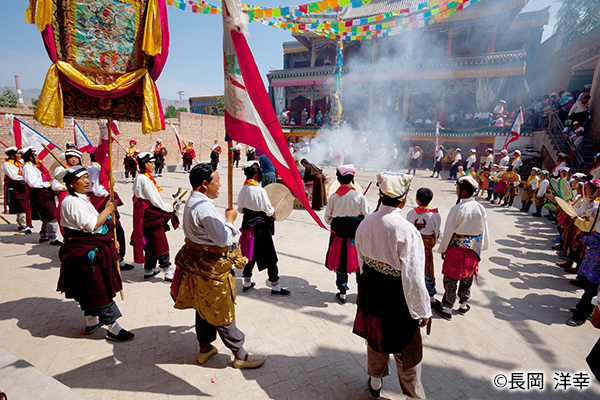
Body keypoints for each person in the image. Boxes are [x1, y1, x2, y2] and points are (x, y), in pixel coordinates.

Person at [170, 163, 266, 369]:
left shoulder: (193, 201)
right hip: (210, 267)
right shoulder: (204, 208)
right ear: (205, 184)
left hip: (196, 262)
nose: (220, 185)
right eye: (217, 181)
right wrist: (230, 221)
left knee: (202, 305)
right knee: (221, 309)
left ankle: (205, 348)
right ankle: (240, 354)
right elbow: (222, 239)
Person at [353, 172, 431, 400]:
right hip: (398, 302)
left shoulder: (366, 222)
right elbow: (414, 277)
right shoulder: (407, 231)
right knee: (407, 354)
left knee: (376, 342)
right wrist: (422, 311)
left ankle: (375, 385)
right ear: (404, 199)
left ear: (381, 195)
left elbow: (361, 263)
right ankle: (413, 396)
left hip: (370, 295)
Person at [56, 165, 135, 342]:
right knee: (98, 288)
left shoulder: (82, 199)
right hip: (85, 253)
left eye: (87, 177)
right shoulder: (71, 202)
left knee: (87, 288)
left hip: (91, 247)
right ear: (70, 183)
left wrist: (108, 240)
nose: (86, 181)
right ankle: (113, 328)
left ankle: (91, 321)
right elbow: (91, 225)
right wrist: (108, 209)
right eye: (81, 178)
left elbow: (96, 226)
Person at [434, 175, 489, 320]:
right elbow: (483, 230)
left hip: (456, 248)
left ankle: (447, 308)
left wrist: (444, 248)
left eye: (457, 188)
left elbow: (449, 231)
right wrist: (481, 248)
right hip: (472, 249)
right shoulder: (480, 208)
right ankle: (464, 304)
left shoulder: (457, 208)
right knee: (467, 276)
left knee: (451, 278)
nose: (457, 191)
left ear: (463, 192)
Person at [237, 162, 291, 296]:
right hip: (261, 227)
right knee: (270, 256)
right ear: (256, 175)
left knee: (249, 255)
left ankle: (246, 283)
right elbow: (268, 210)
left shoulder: (243, 189)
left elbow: (240, 209)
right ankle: (275, 286)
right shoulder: (260, 190)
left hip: (248, 227)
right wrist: (273, 210)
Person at [324, 165, 370, 304]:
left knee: (341, 262)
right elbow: (367, 216)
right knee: (359, 264)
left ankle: (342, 293)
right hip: (356, 238)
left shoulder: (333, 198)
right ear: (353, 179)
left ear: (338, 179)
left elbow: (327, 219)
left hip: (339, 237)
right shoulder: (359, 197)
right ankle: (361, 293)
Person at [131, 152, 179, 281]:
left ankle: (148, 270)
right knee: (159, 242)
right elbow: (155, 201)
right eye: (151, 163)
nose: (153, 165)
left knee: (150, 243)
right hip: (151, 214)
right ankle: (167, 272)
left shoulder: (140, 177)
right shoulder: (145, 179)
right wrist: (170, 207)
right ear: (145, 164)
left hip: (144, 212)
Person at [406, 188, 442, 306]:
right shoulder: (435, 214)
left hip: (414, 244)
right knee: (428, 270)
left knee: (413, 268)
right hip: (427, 245)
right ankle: (431, 296)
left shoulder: (411, 213)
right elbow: (436, 232)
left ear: (417, 199)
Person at [21, 147, 61, 245]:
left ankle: (44, 235)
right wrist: (48, 184)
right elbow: (33, 183)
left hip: (44, 193)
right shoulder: (28, 168)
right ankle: (53, 238)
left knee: (46, 216)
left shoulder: (32, 166)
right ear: (30, 157)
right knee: (52, 216)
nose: (37, 157)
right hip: (40, 194)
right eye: (35, 155)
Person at [567, 223, 600, 327]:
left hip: (595, 270)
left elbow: (587, 239)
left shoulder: (596, 238)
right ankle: (582, 308)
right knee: (588, 288)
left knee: (591, 291)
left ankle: (581, 314)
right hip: (592, 267)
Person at [2, 146, 28, 232]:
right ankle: (24, 224)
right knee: (21, 207)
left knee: (23, 206)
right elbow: (14, 176)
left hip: (22, 186)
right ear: (12, 156)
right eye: (18, 153)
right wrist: (27, 178)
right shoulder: (7, 165)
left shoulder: (19, 163)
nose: (20, 155)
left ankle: (21, 223)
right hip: (15, 187)